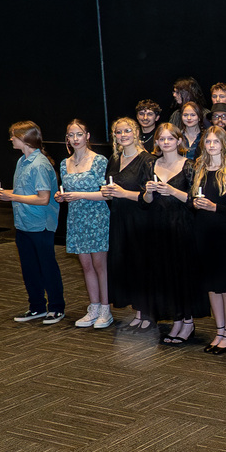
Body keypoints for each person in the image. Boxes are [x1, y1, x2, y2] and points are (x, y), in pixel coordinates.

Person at [0, 121, 64, 324]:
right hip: (24, 224)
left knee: (46, 266)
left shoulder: (40, 164)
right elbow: (21, 193)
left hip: (40, 224)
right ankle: (37, 307)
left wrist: (12, 198)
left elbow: (43, 198)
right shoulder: (22, 161)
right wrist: (6, 194)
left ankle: (56, 308)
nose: (11, 139)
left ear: (24, 138)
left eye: (13, 135)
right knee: (29, 268)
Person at [140, 123, 202, 344]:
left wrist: (172, 191)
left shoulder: (189, 165)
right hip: (158, 227)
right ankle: (177, 320)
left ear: (179, 141)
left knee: (182, 275)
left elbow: (195, 201)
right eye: (162, 139)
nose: (166, 142)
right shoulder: (150, 164)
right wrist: (148, 192)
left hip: (182, 227)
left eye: (170, 138)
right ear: (156, 142)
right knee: (166, 277)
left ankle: (188, 322)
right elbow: (144, 201)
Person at [55, 120, 112, 329]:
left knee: (99, 265)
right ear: (67, 138)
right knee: (86, 266)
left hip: (96, 216)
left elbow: (106, 194)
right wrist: (61, 197)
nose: (75, 139)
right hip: (76, 218)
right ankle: (94, 307)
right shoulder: (64, 163)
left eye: (79, 134)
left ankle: (106, 309)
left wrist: (78, 195)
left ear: (87, 136)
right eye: (71, 135)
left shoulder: (99, 161)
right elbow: (66, 191)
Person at [102, 117, 155, 330]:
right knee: (128, 267)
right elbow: (109, 188)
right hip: (119, 218)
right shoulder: (114, 159)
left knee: (142, 266)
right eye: (118, 132)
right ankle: (139, 311)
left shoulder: (147, 160)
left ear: (136, 133)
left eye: (127, 131)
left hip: (140, 219)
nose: (122, 135)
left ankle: (148, 312)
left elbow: (150, 197)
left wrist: (124, 194)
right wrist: (107, 193)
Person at [190, 126, 226, 354]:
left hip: (223, 230)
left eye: (215, 142)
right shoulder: (199, 167)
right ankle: (219, 330)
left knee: (224, 283)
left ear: (224, 144)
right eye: (207, 142)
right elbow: (193, 199)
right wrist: (195, 204)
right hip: (202, 229)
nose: (211, 145)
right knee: (210, 283)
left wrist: (214, 207)